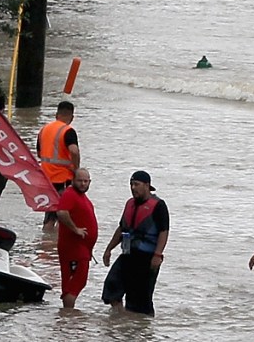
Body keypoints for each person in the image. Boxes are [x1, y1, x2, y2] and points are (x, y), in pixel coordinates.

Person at [101, 171, 170, 316]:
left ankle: (141, 330)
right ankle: (122, 319)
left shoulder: (159, 205)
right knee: (111, 286)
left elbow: (164, 232)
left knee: (140, 300)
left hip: (147, 257)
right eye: (131, 184)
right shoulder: (129, 204)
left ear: (147, 185)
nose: (133, 188)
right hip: (127, 254)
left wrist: (157, 255)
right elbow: (122, 228)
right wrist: (109, 249)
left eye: (136, 184)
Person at [51, 171, 98, 311]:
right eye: (80, 181)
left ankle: (67, 319)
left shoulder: (81, 196)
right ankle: (68, 315)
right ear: (73, 180)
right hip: (74, 248)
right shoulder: (70, 194)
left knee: (74, 284)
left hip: (81, 248)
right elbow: (61, 212)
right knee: (75, 283)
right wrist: (75, 229)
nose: (83, 184)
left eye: (86, 181)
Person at [36, 101, 81, 191]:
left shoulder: (44, 129)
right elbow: (74, 151)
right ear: (72, 117)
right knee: (63, 204)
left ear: (56, 115)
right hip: (62, 178)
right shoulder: (68, 131)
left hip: (44, 178)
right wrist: (76, 169)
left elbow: (39, 153)